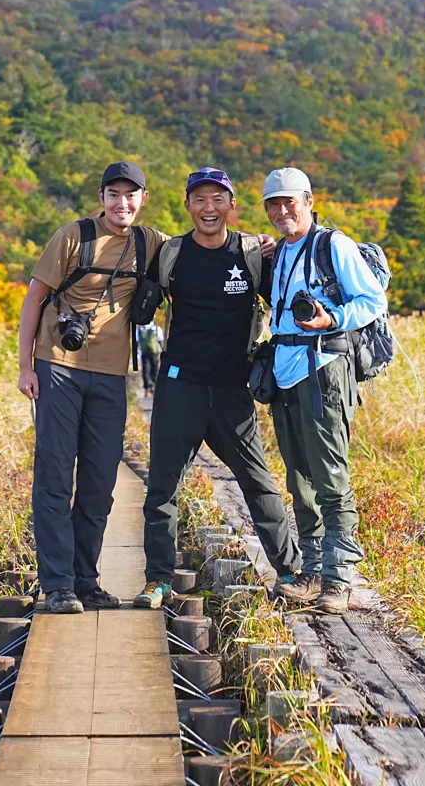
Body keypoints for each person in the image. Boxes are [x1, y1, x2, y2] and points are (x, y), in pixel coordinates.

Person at [133, 168, 319, 609]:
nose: (209, 208)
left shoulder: (253, 253)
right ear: (187, 206)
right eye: (200, 200)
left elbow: (293, 297)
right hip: (179, 387)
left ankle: (289, 570)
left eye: (218, 199)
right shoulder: (172, 253)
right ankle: (158, 580)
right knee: (162, 488)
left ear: (231, 205)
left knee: (258, 483)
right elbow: (138, 309)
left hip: (232, 390)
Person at [18, 161, 167, 613]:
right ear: (102, 198)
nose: (122, 204)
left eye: (131, 195)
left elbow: (199, 252)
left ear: (142, 199)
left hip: (110, 374)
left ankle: (86, 580)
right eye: (114, 194)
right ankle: (58, 584)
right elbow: (33, 299)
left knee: (100, 483)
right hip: (56, 366)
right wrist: (25, 368)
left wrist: (254, 245)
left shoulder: (150, 242)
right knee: (55, 476)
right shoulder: (73, 236)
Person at [262, 166, 387, 614]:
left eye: (289, 202)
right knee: (299, 477)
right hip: (286, 372)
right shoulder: (278, 252)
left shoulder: (334, 245)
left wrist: (331, 320)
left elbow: (372, 300)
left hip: (324, 368)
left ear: (309, 201)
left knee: (331, 475)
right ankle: (312, 571)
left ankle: (340, 577)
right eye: (273, 204)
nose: (281, 211)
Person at [137, 322, 163, 396]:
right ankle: (154, 386)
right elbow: (160, 340)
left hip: (144, 352)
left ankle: (147, 388)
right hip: (154, 352)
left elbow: (137, 342)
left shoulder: (140, 329)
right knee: (154, 369)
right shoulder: (156, 328)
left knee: (146, 370)